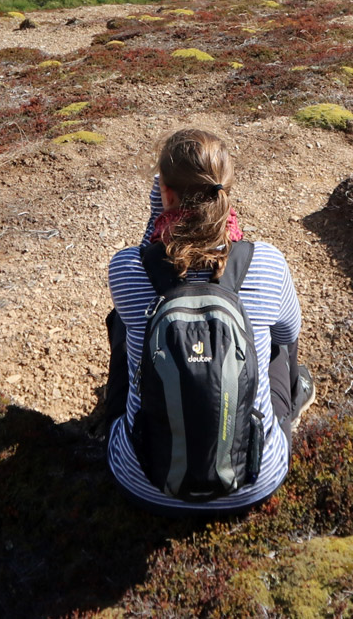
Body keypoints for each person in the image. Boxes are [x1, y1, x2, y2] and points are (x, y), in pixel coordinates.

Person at [100, 128, 312, 514]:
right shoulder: (266, 263)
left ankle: (111, 416)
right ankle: (295, 399)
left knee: (124, 325)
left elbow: (156, 253)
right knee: (279, 344)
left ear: (165, 195)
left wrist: (160, 212)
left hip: (141, 481)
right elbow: (287, 334)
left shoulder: (127, 268)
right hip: (254, 481)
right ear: (226, 191)